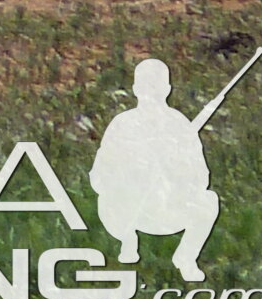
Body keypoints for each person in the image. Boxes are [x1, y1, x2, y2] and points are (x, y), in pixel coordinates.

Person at [91, 60, 221, 284]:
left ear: (167, 90)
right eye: (146, 86)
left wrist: (177, 171)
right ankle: (127, 240)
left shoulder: (180, 126)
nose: (151, 92)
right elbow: (99, 176)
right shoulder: (122, 124)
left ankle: (186, 258)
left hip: (167, 209)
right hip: (128, 211)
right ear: (135, 90)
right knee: (110, 200)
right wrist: (131, 172)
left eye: (156, 86)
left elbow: (201, 177)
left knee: (209, 201)